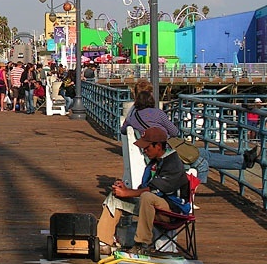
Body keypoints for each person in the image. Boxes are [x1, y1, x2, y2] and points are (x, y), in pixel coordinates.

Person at [122, 86, 258, 183]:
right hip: (167, 151)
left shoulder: (133, 118)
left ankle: (243, 161)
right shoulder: (157, 113)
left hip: (156, 150)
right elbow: (174, 132)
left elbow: (123, 130)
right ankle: (191, 196)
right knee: (203, 161)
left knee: (205, 153)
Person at [98, 127, 190, 255]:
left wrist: (127, 193)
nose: (144, 150)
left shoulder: (173, 163)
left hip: (172, 210)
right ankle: (103, 242)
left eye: (147, 147)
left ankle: (142, 244)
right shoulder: (153, 162)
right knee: (115, 196)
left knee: (147, 197)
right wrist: (125, 190)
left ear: (158, 146)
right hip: (150, 206)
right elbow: (144, 187)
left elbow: (154, 191)